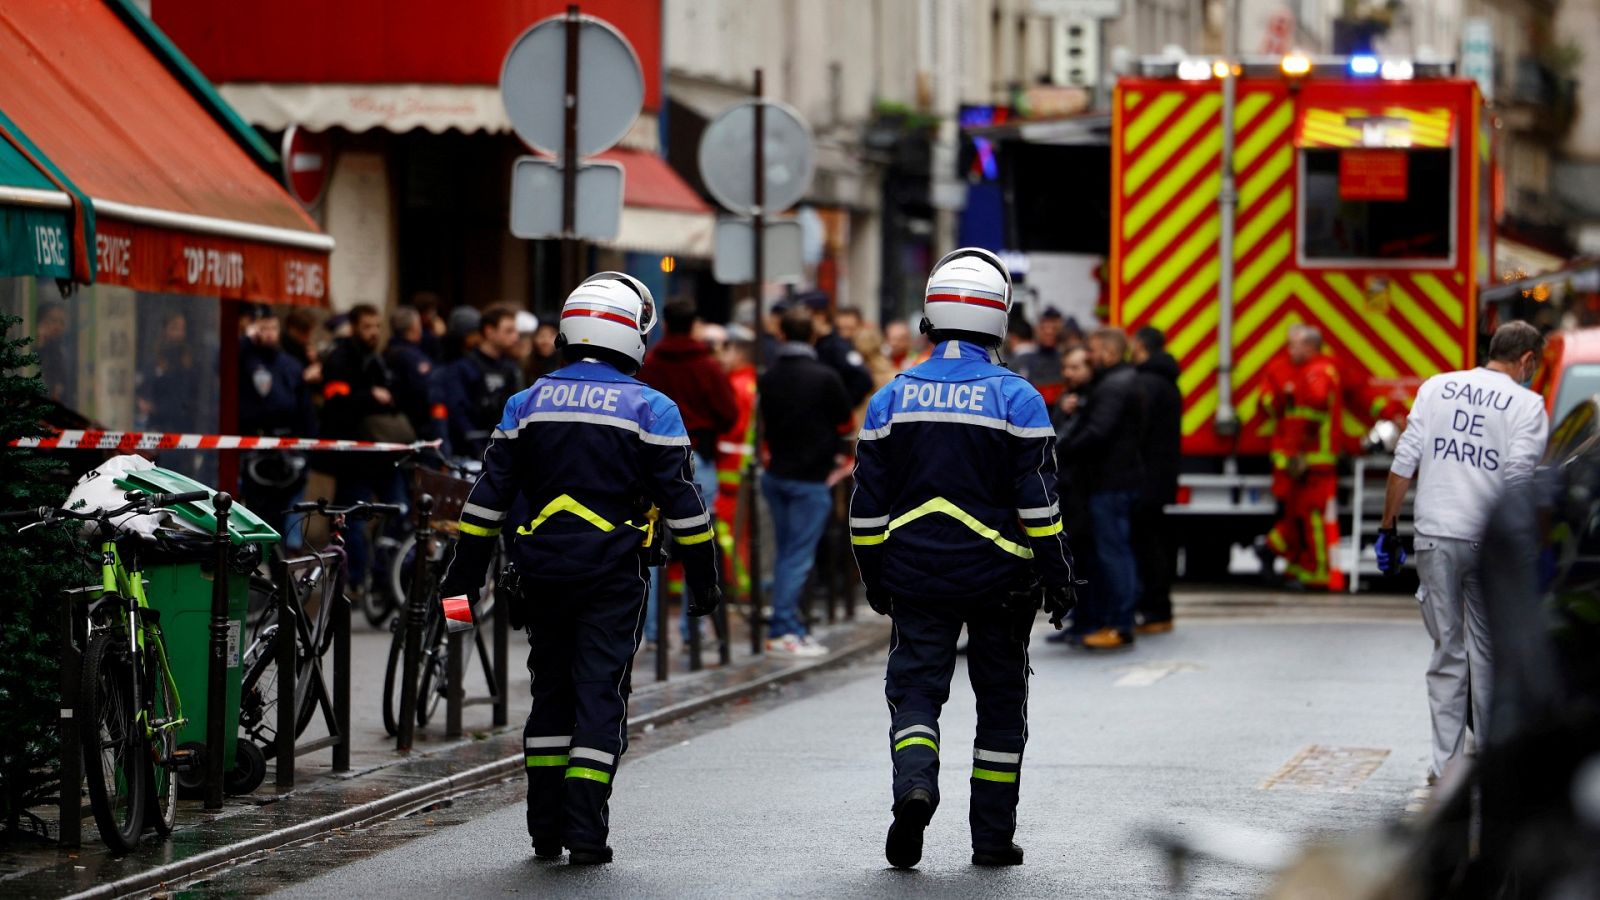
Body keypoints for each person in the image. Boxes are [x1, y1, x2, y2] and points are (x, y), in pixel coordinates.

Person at [437, 272, 721, 866]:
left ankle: (543, 830)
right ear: (631, 335)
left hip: (538, 573)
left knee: (550, 695)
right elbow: (684, 505)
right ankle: (586, 834)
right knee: (599, 696)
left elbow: (486, 497)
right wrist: (703, 577)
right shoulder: (651, 406)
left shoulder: (527, 402)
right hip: (613, 576)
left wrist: (462, 574)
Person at [850, 247, 1077, 869]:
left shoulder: (890, 398)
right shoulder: (1019, 399)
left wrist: (877, 577)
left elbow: (865, 511)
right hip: (1003, 582)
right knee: (1000, 708)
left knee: (916, 694)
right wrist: (1059, 580)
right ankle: (991, 840)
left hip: (916, 577)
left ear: (930, 316)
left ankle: (915, 785)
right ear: (999, 318)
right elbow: (1040, 507)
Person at [1377, 321, 1548, 785]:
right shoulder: (1528, 404)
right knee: (1489, 654)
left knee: (1446, 654)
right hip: (1487, 543)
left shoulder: (1437, 388)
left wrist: (1388, 527)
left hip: (1434, 536)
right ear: (1527, 360)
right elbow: (1517, 482)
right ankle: (1492, 764)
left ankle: (1445, 767)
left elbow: (1403, 463)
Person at [636, 298, 738, 650]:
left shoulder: (649, 364)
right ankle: (690, 630)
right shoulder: (707, 366)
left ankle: (648, 631)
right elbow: (728, 412)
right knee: (695, 536)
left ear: (664, 324)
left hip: (648, 460)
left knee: (648, 543)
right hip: (699, 456)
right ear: (694, 326)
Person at [758, 307, 853, 657]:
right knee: (797, 558)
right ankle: (784, 629)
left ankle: (791, 625)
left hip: (777, 474)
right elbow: (844, 424)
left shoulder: (769, 376)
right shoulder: (824, 377)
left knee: (787, 555)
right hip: (811, 478)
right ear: (812, 336)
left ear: (781, 335)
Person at [1057, 327, 1144, 650]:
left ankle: (1120, 624)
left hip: (1109, 483)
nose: (1089, 356)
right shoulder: (1118, 382)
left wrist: (1059, 451)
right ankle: (1117, 620)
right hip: (1114, 480)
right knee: (1114, 553)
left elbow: (1097, 432)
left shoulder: (1112, 386)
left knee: (1113, 555)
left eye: (1092, 350)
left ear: (1108, 351)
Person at [318, 304, 410, 594]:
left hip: (383, 457)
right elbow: (336, 403)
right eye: (368, 326)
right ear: (355, 327)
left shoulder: (379, 361)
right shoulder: (340, 359)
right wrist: (370, 395)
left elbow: (396, 397)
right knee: (353, 523)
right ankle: (355, 580)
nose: (374, 332)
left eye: (377, 326)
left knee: (400, 513)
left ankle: (385, 576)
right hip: (354, 459)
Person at [1262, 326, 1343, 590]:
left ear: (1310, 346)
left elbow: (1313, 408)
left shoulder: (1316, 372)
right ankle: (1291, 560)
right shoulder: (1315, 369)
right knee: (1299, 516)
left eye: (1295, 345)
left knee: (1313, 519)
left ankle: (1317, 572)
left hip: (1314, 461)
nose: (1290, 351)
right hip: (1309, 460)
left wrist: (1294, 445)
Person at [1048, 345, 1100, 645]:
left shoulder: (1089, 398)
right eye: (1067, 367)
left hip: (1083, 490)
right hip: (1069, 489)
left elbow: (1063, 442)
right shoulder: (1069, 399)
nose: (1069, 373)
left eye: (1075, 367)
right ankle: (1078, 619)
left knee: (1085, 557)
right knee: (1075, 557)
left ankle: (1087, 620)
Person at [1131, 326, 1182, 633]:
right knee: (1157, 543)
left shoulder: (1147, 384)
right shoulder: (1166, 382)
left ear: (1139, 346)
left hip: (1145, 477)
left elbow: (1138, 431)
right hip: (1161, 476)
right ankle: (1158, 608)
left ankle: (1155, 610)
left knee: (1147, 546)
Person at [436, 307, 525, 459]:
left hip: (506, 451)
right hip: (471, 453)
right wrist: (479, 448)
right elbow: (458, 414)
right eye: (509, 331)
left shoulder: (512, 369)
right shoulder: (463, 368)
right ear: (489, 331)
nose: (516, 337)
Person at [714, 325, 759, 601]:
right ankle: (741, 586)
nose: (721, 356)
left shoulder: (736, 386)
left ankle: (736, 588)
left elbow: (731, 429)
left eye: (726, 349)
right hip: (743, 470)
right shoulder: (751, 382)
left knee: (729, 535)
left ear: (739, 352)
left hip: (730, 471)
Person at [800, 290, 874, 406]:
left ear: (820, 316)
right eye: (842, 329)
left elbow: (863, 378)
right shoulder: (816, 343)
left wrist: (843, 407)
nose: (846, 334)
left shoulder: (837, 346)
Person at [385, 306, 440, 444]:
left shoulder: (386, 352)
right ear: (414, 327)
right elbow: (426, 389)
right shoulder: (414, 358)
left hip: (396, 423)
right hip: (416, 426)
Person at [34, 300, 74, 407]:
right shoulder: (32, 347)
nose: (58, 327)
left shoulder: (61, 353)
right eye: (53, 320)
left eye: (62, 322)